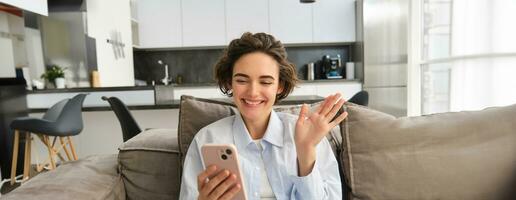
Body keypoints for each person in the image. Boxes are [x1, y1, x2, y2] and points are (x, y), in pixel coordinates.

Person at [179, 32, 347, 200]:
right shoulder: (207, 139)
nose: (253, 92)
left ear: (279, 86)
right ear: (230, 82)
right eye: (242, 81)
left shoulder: (309, 134)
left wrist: (306, 151)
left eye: (265, 82)